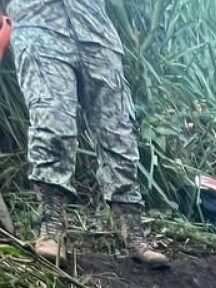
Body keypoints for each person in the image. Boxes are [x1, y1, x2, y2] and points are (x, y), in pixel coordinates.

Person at [8, 0, 167, 267]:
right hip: (38, 23)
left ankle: (134, 234)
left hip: (95, 30)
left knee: (120, 133)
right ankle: (52, 229)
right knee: (53, 125)